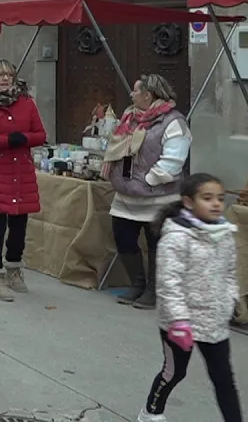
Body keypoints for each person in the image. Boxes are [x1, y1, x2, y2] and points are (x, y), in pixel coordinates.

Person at [140, 173, 243, 422]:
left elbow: (230, 273)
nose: (216, 204)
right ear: (188, 202)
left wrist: (230, 300)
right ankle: (151, 412)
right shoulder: (176, 238)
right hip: (179, 324)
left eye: (220, 198)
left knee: (224, 378)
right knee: (175, 372)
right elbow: (168, 284)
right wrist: (179, 321)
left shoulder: (224, 234)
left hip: (214, 321)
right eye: (207, 198)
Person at [104, 73, 191, 311]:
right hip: (126, 196)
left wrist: (149, 181)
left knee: (157, 244)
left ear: (148, 94)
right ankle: (137, 283)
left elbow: (174, 160)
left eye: (135, 91)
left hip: (159, 197)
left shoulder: (174, 121)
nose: (131, 95)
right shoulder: (129, 118)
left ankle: (153, 290)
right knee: (123, 238)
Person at [0, 59, 46, 302]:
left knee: (19, 226)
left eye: (9, 74)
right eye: (0, 75)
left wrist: (25, 138)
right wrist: (6, 141)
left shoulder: (26, 102)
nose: (5, 79)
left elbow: (41, 134)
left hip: (22, 172)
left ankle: (14, 268)